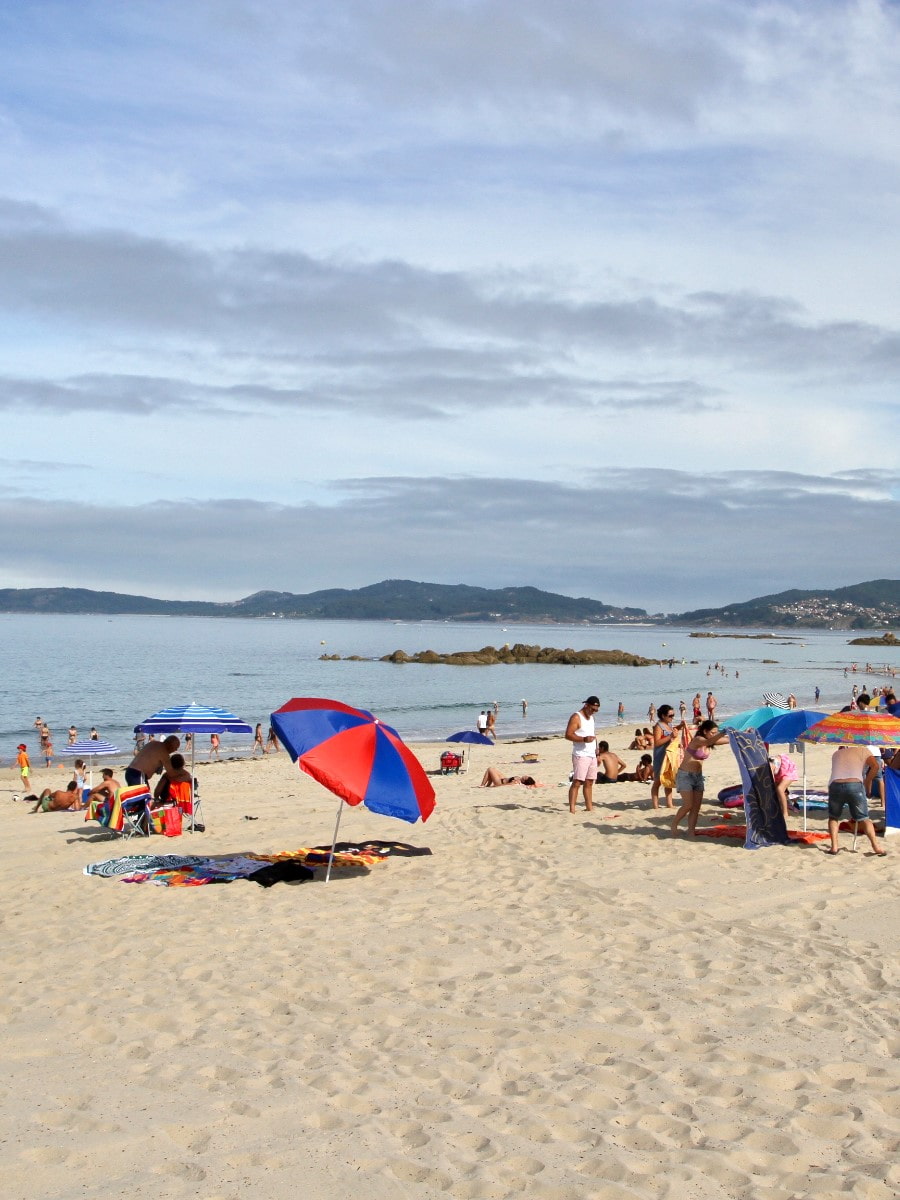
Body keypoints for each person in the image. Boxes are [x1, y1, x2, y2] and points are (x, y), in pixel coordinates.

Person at [670, 719, 731, 836]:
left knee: (696, 807)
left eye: (715, 732)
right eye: (712, 732)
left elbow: (727, 740)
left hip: (698, 777)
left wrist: (741, 733)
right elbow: (709, 741)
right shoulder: (698, 740)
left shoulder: (711, 740)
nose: (714, 734)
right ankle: (674, 824)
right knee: (688, 805)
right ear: (705, 731)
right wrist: (723, 732)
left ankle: (691, 831)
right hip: (685, 775)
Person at [826, 744, 885, 856]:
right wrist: (867, 781)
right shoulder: (863, 750)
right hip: (854, 784)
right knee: (864, 818)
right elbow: (875, 766)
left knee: (833, 817)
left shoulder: (837, 753)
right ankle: (876, 846)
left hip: (835, 784)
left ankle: (834, 847)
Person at [565, 696, 600, 814]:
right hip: (580, 754)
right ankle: (572, 809)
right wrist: (584, 739)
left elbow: (593, 734)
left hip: (592, 754)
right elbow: (568, 735)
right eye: (592, 709)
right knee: (577, 782)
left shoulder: (591, 718)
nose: (593, 712)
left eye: (596, 710)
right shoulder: (576, 717)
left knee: (590, 781)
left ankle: (589, 807)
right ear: (586, 705)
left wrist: (597, 749)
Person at [650, 705, 678, 810]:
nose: (672, 717)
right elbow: (657, 743)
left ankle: (669, 804)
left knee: (668, 780)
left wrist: (680, 726)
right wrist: (670, 736)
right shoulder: (658, 726)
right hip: (660, 756)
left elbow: (673, 733)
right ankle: (655, 805)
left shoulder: (669, 724)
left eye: (673, 715)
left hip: (669, 756)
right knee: (657, 781)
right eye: (670, 715)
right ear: (663, 715)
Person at [769, 753, 799, 824]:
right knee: (779, 791)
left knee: (780, 789)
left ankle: (785, 813)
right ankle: (783, 805)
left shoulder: (770, 766)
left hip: (788, 769)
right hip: (779, 772)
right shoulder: (765, 767)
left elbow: (771, 780)